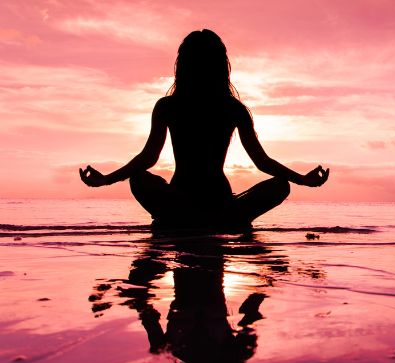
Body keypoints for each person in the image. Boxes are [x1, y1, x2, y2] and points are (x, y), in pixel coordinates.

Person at [79, 29, 329, 229]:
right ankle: (222, 219)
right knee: (281, 185)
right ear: (221, 66)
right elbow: (261, 161)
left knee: (280, 185)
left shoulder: (173, 106)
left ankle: (185, 219)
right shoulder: (228, 108)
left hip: (186, 203)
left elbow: (148, 158)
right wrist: (301, 179)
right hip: (216, 204)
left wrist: (107, 179)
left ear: (182, 65)